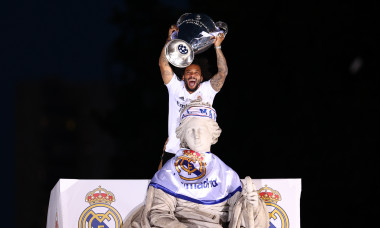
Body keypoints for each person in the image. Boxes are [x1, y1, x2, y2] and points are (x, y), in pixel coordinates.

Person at [123, 102, 269, 228]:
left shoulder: (227, 175)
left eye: (201, 130)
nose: (196, 135)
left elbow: (243, 217)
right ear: (183, 136)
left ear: (212, 135)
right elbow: (158, 215)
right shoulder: (169, 172)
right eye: (190, 130)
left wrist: (253, 205)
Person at [158, 24, 229, 169]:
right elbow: (163, 65)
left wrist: (217, 47)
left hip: (199, 153)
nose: (192, 75)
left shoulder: (207, 90)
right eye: (189, 73)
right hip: (173, 151)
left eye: (196, 73)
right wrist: (169, 40)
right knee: (160, 189)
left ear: (201, 78)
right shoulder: (175, 88)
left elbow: (222, 73)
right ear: (183, 77)